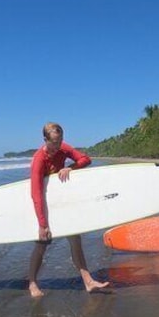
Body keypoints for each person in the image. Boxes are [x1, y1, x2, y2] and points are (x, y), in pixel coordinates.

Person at [28, 122, 110, 298]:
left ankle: (88, 282)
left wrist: (70, 167)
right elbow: (36, 194)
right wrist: (42, 224)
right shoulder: (38, 160)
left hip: (63, 204)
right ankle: (32, 283)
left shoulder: (63, 148)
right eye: (55, 143)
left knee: (76, 241)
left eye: (60, 141)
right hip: (45, 206)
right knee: (42, 245)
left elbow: (85, 159)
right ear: (45, 140)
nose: (59, 146)